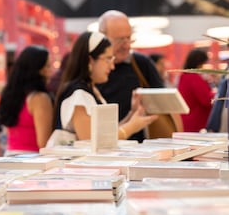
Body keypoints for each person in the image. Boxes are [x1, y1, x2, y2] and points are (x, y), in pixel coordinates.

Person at [54, 31, 157, 141]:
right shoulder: (78, 95)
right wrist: (131, 127)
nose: (112, 66)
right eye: (108, 59)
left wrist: (132, 114)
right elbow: (91, 141)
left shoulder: (90, 90)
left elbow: (107, 133)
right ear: (90, 60)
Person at [96, 10, 168, 142]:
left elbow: (164, 101)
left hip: (138, 146)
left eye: (128, 38)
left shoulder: (141, 64)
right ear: (102, 37)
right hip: (100, 146)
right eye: (119, 40)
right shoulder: (90, 68)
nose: (127, 45)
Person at [0, 45, 53, 155]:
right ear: (40, 70)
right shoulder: (40, 99)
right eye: (48, 66)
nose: (51, 71)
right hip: (32, 159)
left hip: (10, 155)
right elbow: (44, 143)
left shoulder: (11, 95)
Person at [178, 49, 215, 132]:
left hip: (187, 119)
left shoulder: (184, 76)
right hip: (196, 121)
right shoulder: (194, 77)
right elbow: (207, 100)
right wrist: (218, 94)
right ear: (199, 63)